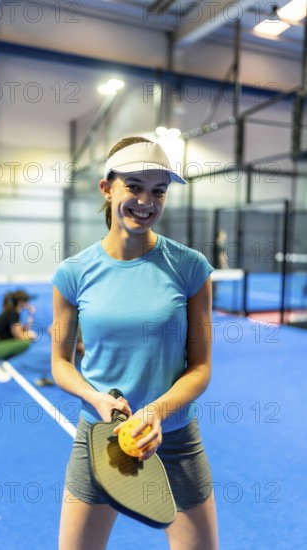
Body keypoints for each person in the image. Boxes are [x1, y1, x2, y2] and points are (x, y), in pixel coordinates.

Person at [51, 137, 218, 549]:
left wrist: (157, 413)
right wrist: (96, 400)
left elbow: (200, 368)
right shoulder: (73, 274)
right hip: (100, 436)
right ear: (107, 189)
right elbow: (60, 363)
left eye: (158, 191)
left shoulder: (191, 268)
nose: (146, 201)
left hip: (175, 439)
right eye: (134, 186)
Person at [0, 290, 37, 383]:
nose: (28, 304)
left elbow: (23, 331)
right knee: (25, 343)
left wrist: (31, 315)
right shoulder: (13, 314)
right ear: (21, 302)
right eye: (27, 301)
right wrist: (30, 335)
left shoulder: (13, 313)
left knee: (28, 338)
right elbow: (20, 336)